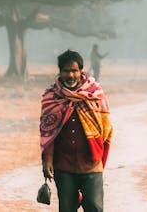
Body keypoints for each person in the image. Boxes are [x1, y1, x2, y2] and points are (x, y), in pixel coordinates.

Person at [41, 50, 112, 212]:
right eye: (66, 71)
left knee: (94, 208)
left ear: (81, 71)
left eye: (74, 71)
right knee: (66, 209)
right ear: (60, 72)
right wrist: (47, 160)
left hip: (91, 164)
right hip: (63, 165)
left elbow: (106, 127)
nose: (70, 75)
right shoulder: (51, 97)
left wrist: (99, 154)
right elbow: (48, 133)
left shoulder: (95, 93)